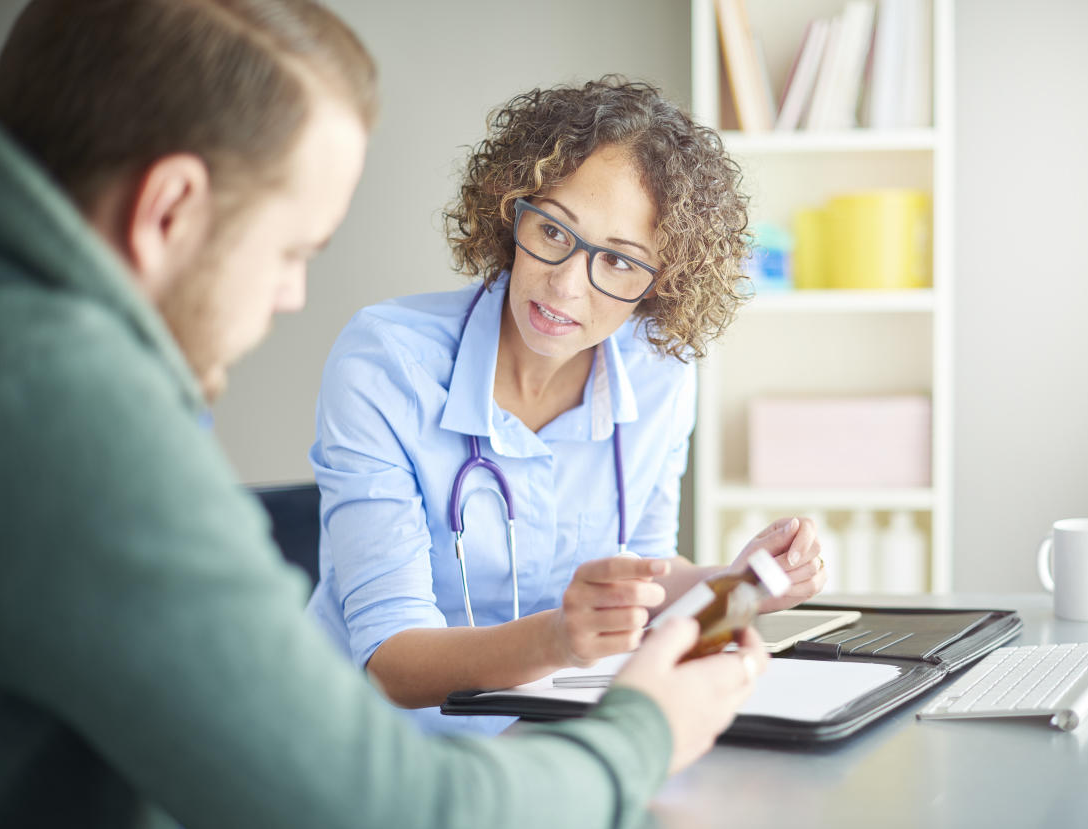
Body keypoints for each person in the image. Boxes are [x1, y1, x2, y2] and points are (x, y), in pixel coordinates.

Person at [0, 2, 770, 827]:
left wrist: (725, 584)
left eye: (616, 261)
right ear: (168, 211)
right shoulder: (66, 407)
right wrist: (643, 730)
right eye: (293, 252)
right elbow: (389, 801)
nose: (292, 296)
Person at [307, 78, 829, 734]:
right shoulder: (387, 362)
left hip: (549, 735)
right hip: (371, 745)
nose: (564, 283)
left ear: (661, 284)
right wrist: (560, 637)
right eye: (553, 229)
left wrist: (740, 580)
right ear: (509, 208)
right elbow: (390, 661)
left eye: (617, 261)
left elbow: (641, 582)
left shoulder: (661, 373)